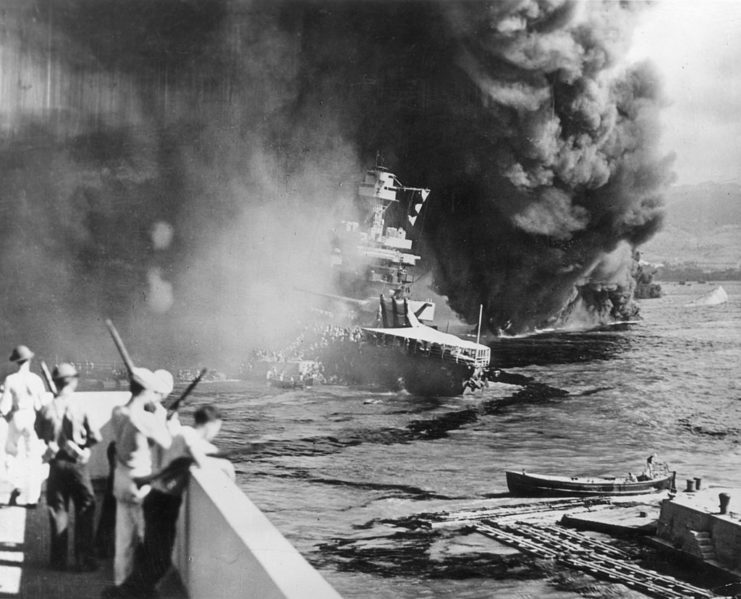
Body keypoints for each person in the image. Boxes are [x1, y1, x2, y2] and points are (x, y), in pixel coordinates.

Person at [107, 405, 231, 598]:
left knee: (154, 553)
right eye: (217, 428)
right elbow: (201, 461)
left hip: (160, 500)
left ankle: (139, 590)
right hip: (162, 502)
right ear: (211, 425)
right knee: (161, 559)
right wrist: (226, 464)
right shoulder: (189, 437)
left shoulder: (182, 433)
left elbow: (192, 455)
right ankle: (122, 593)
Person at [109, 367, 173, 588]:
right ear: (147, 390)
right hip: (141, 483)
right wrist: (161, 416)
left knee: (123, 540)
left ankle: (120, 584)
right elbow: (168, 443)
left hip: (120, 478)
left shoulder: (117, 412)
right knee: (148, 538)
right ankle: (142, 587)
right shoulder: (145, 419)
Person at [36, 363, 101, 571]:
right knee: (85, 507)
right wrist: (85, 449)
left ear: (54, 382)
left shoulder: (46, 408)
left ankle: (58, 560)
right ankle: (84, 560)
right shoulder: (81, 406)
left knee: (58, 510)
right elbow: (95, 436)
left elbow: (40, 433)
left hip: (56, 464)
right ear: (73, 381)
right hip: (77, 465)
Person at [0, 345, 46, 506]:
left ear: (16, 361)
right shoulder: (36, 379)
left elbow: (5, 406)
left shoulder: (10, 379)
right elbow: (41, 405)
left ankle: (17, 487)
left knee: (12, 453)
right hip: (31, 417)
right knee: (32, 456)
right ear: (29, 360)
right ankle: (32, 497)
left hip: (17, 417)